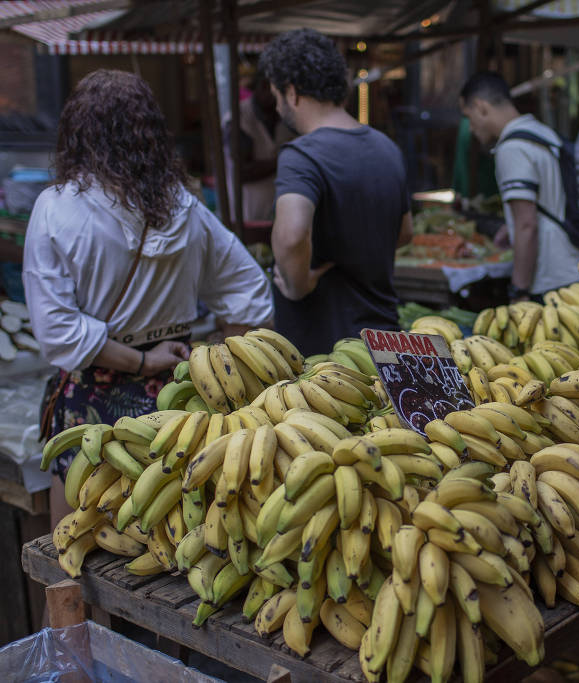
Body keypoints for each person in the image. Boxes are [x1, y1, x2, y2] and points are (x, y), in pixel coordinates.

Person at [23, 70, 273, 527]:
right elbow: (250, 291)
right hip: (179, 403)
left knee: (71, 562)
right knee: (168, 552)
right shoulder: (186, 207)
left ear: (78, 133)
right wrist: (224, 368)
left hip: (92, 411)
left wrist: (141, 362)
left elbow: (58, 333)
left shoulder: (56, 208)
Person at [258, 28, 413, 354]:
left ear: (292, 92)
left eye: (276, 96)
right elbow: (404, 233)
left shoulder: (301, 155)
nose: (276, 108)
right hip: (384, 340)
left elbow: (291, 235)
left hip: (324, 359)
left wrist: (299, 286)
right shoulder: (387, 148)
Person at [459, 72, 579, 302]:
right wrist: (510, 228)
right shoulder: (542, 132)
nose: (470, 127)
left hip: (553, 281)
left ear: (481, 107)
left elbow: (527, 224)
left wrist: (519, 290)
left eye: (468, 116)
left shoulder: (512, 148)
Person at [224, 69, 292, 222]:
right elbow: (241, 171)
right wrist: (282, 160)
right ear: (262, 86)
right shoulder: (238, 118)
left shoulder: (284, 115)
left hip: (278, 211)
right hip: (247, 213)